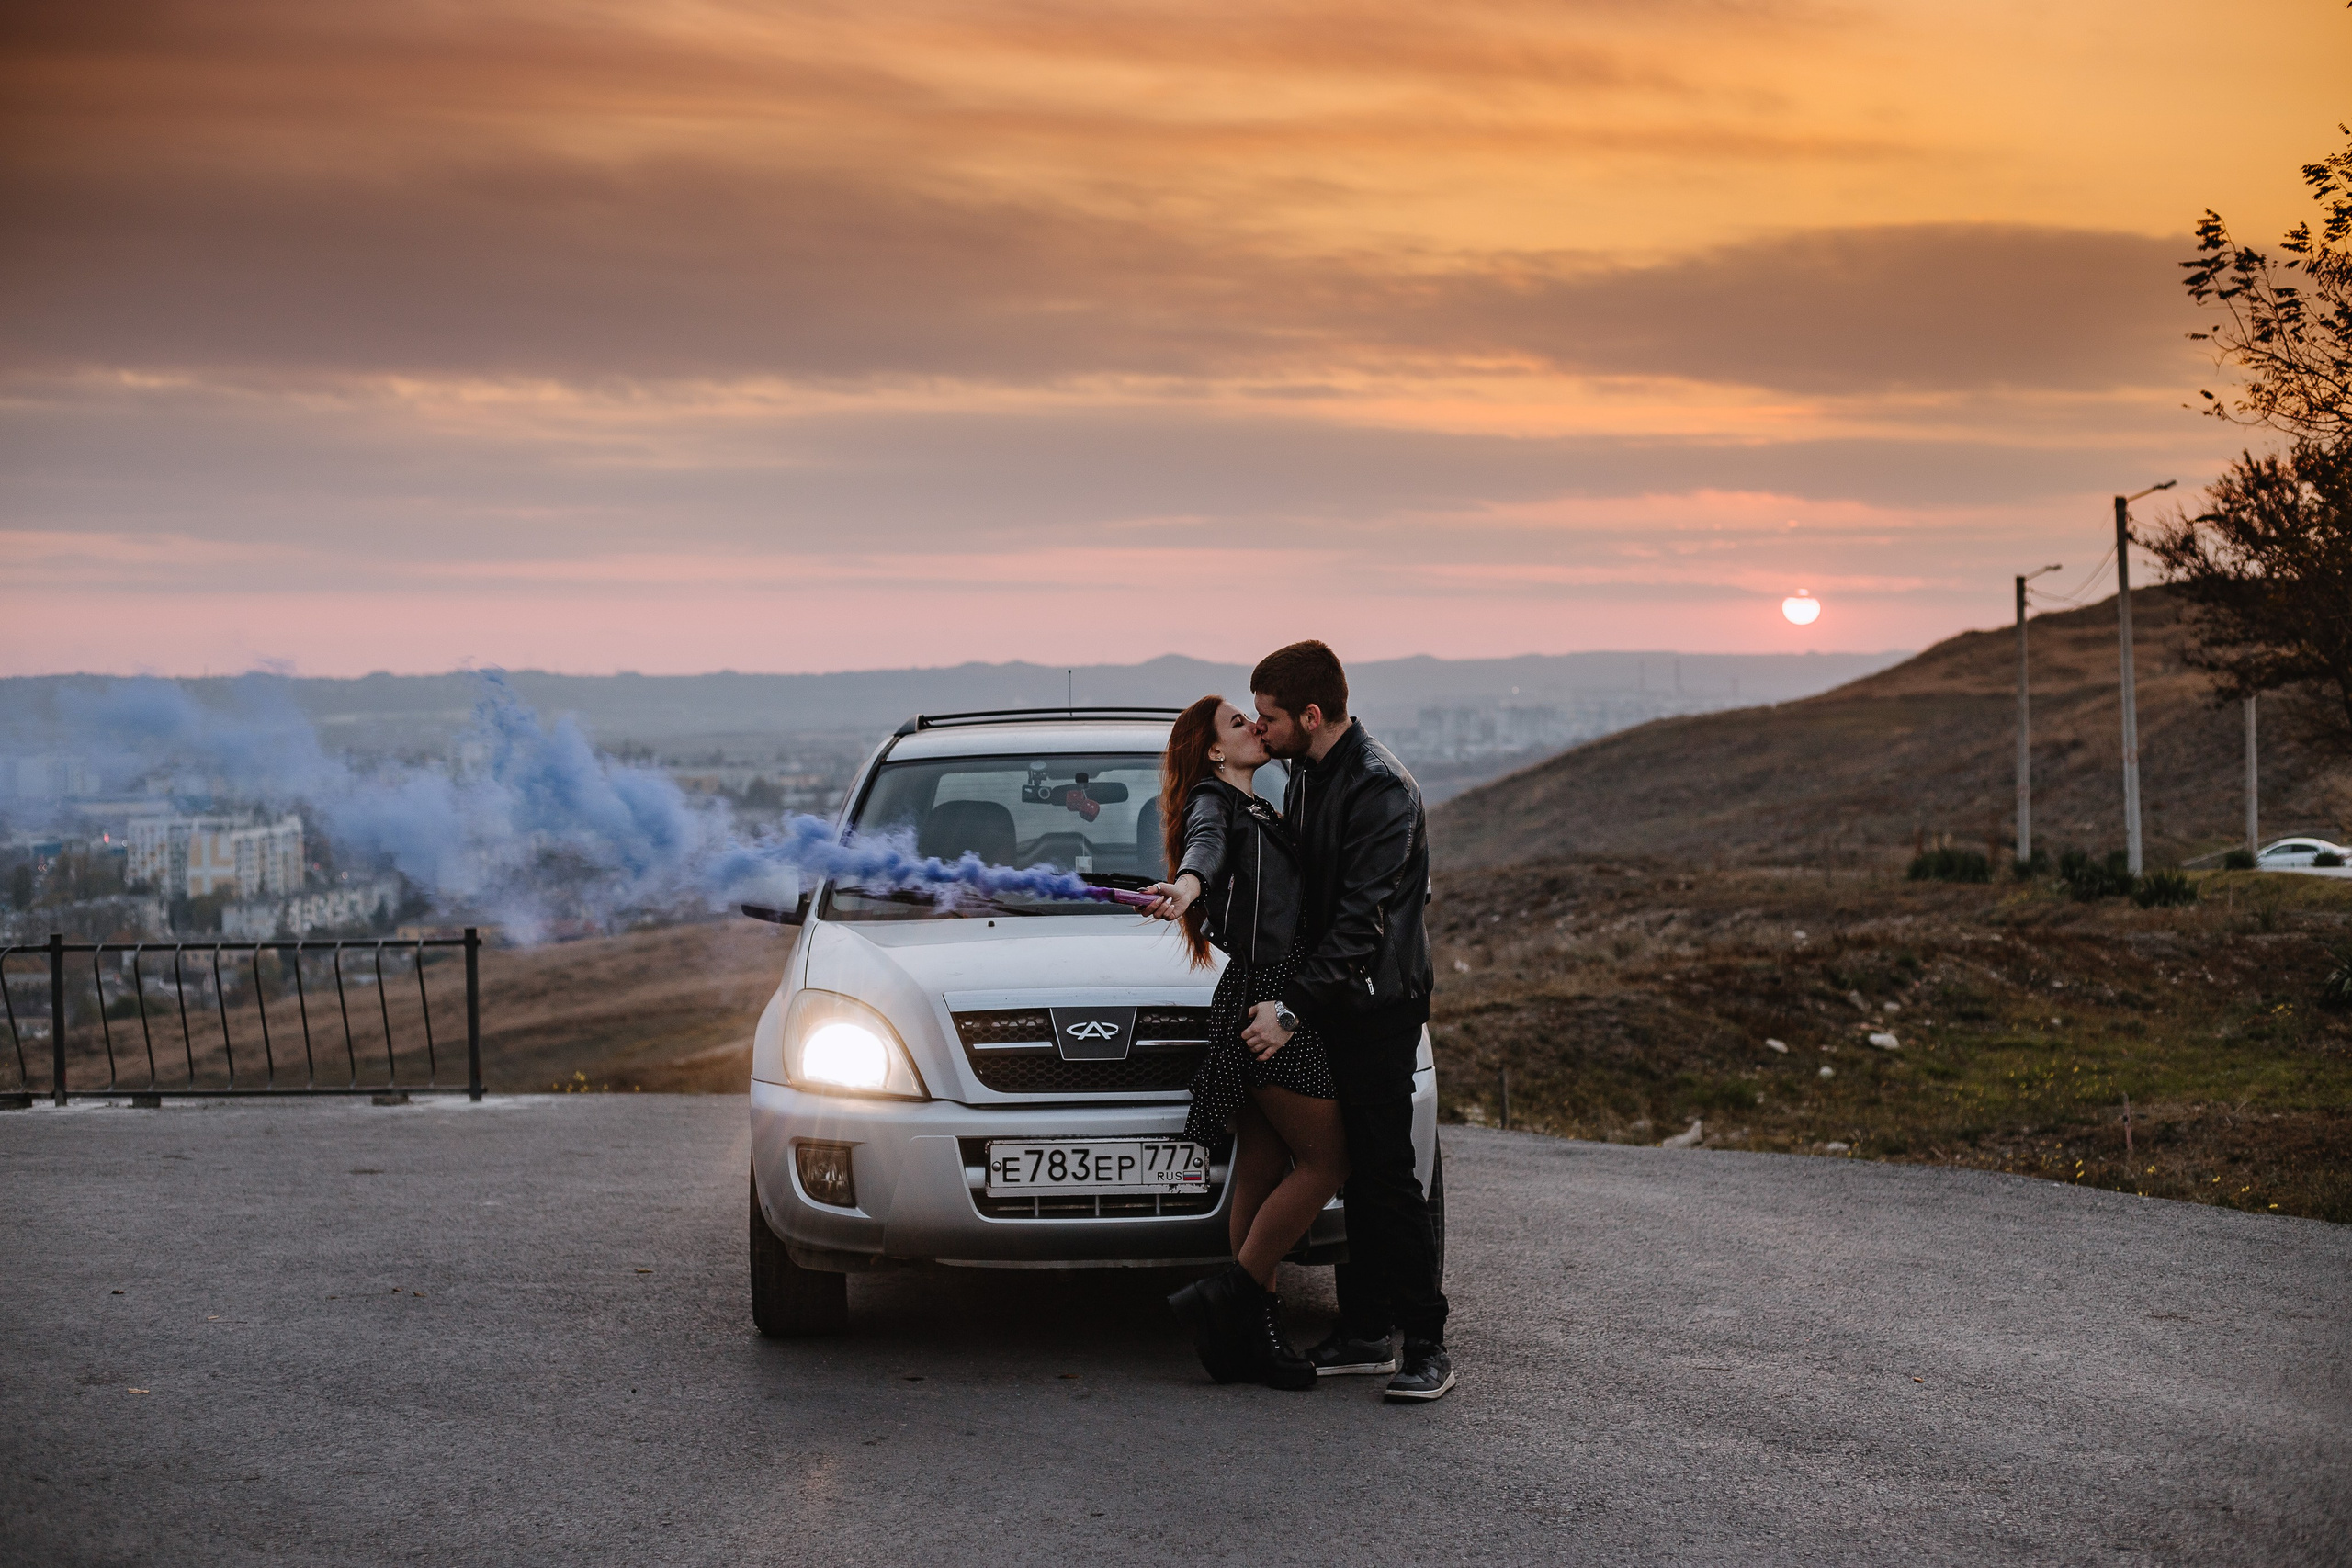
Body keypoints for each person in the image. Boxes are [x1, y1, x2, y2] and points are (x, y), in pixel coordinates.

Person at [1240, 639, 1452, 1403]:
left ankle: (1426, 1342)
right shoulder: (1307, 776)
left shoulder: (1380, 789)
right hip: (1333, 1000)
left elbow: (1360, 924)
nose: (1260, 730)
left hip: (1378, 1005)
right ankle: (1365, 1330)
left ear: (1312, 714)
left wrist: (1292, 1007)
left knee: (1391, 1175)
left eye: (1269, 718)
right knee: (1356, 1165)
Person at [1143, 694, 1345, 1392]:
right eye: (1239, 723)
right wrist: (1189, 885)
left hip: (1262, 989)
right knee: (1328, 1160)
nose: (1255, 728)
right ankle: (1233, 1299)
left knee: (1261, 1161)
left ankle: (1250, 1330)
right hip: (1270, 998)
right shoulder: (1215, 801)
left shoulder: (1263, 803)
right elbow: (1206, 848)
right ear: (1213, 752)